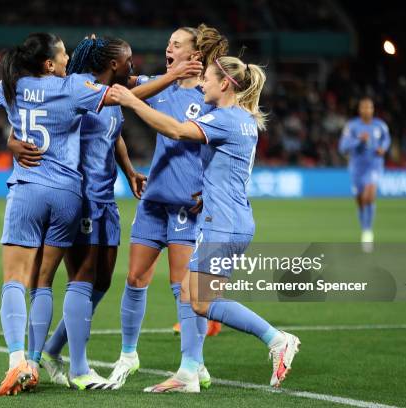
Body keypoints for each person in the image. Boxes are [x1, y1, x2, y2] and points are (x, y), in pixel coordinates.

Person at [6, 36, 203, 390]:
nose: (133, 66)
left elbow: (114, 134)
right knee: (80, 279)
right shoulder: (82, 92)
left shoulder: (107, 96)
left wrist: (128, 172)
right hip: (80, 198)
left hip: (105, 202)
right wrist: (12, 140)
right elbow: (38, 121)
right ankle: (72, 366)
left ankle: (50, 350)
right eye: (128, 61)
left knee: (102, 282)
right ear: (113, 64)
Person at [109, 55, 301, 392]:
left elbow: (176, 130)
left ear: (225, 83)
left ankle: (277, 339)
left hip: (224, 224)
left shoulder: (225, 118)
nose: (202, 85)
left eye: (208, 80)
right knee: (189, 293)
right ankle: (187, 373)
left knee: (199, 299)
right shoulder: (243, 119)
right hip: (229, 218)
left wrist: (129, 101)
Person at [0, 33, 120, 395]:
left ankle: (17, 362)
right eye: (63, 53)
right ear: (49, 63)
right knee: (43, 283)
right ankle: (35, 361)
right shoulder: (71, 88)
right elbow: (114, 100)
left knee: (15, 279)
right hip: (68, 194)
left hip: (28, 190)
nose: (67, 58)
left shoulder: (13, 86)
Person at [108, 24, 228, 389]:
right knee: (134, 278)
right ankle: (129, 354)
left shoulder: (210, 100)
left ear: (195, 55)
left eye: (176, 44)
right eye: (167, 43)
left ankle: (192, 365)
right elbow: (121, 95)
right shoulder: (159, 86)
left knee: (183, 288)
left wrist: (213, 191)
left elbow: (225, 152)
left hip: (185, 205)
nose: (168, 48)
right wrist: (171, 75)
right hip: (153, 200)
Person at [339, 97, 391, 250]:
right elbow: (342, 148)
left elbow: (387, 140)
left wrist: (383, 148)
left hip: (374, 166)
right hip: (356, 168)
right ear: (359, 109)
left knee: (369, 195)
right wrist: (358, 141)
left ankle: (368, 232)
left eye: (370, 107)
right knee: (361, 201)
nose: (367, 110)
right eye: (364, 107)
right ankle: (365, 228)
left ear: (373, 109)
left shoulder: (380, 125)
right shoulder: (352, 126)